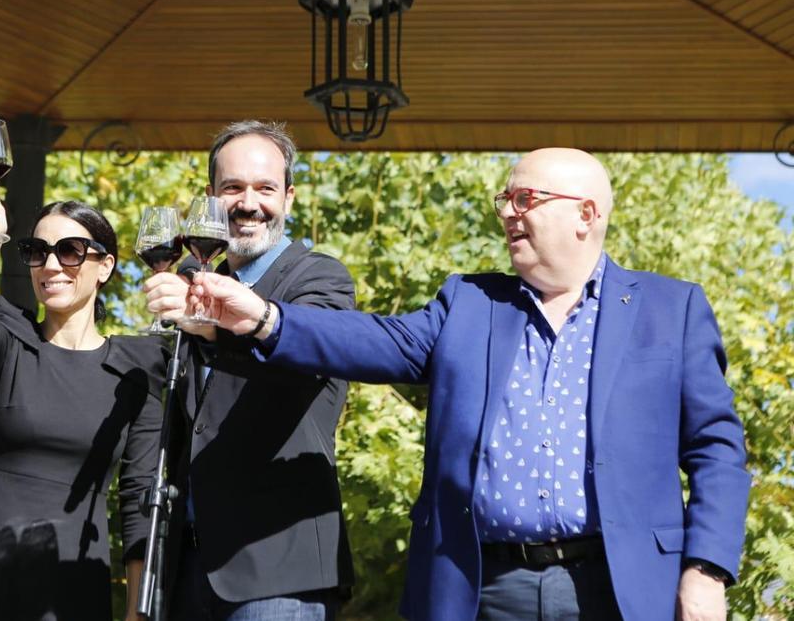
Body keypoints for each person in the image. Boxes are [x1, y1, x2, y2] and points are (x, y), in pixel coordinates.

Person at [182, 147, 750, 621]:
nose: (508, 213)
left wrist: (706, 570)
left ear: (587, 213)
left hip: (623, 587)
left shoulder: (670, 310)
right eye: (505, 199)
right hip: (482, 587)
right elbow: (376, 341)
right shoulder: (470, 303)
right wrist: (263, 318)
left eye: (525, 199)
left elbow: (717, 453)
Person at [0, 185, 165, 621]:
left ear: (105, 266)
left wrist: (138, 611)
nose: (51, 265)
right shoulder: (12, 339)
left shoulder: (137, 369)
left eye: (70, 251)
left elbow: (140, 498)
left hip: (69, 584)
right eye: (37, 251)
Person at [143, 120, 356, 619]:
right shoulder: (192, 281)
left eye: (265, 188)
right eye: (232, 187)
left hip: (279, 572)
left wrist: (215, 327)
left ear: (290, 198)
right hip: (187, 571)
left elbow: (303, 361)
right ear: (210, 198)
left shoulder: (320, 279)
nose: (248, 203)